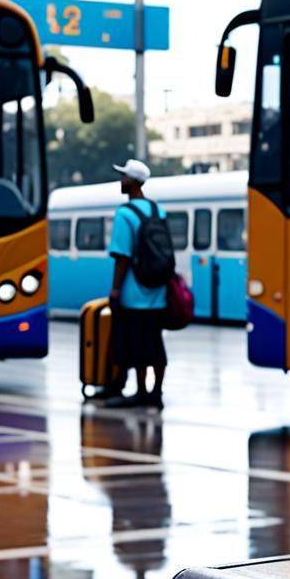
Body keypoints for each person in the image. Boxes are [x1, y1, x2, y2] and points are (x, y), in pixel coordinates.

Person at [105, 159, 169, 409]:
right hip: (159, 292)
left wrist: (116, 289)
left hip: (135, 293)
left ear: (132, 182)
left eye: (124, 177)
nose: (121, 181)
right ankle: (157, 392)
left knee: (138, 346)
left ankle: (142, 392)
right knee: (156, 344)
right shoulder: (157, 210)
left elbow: (122, 256)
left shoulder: (125, 214)